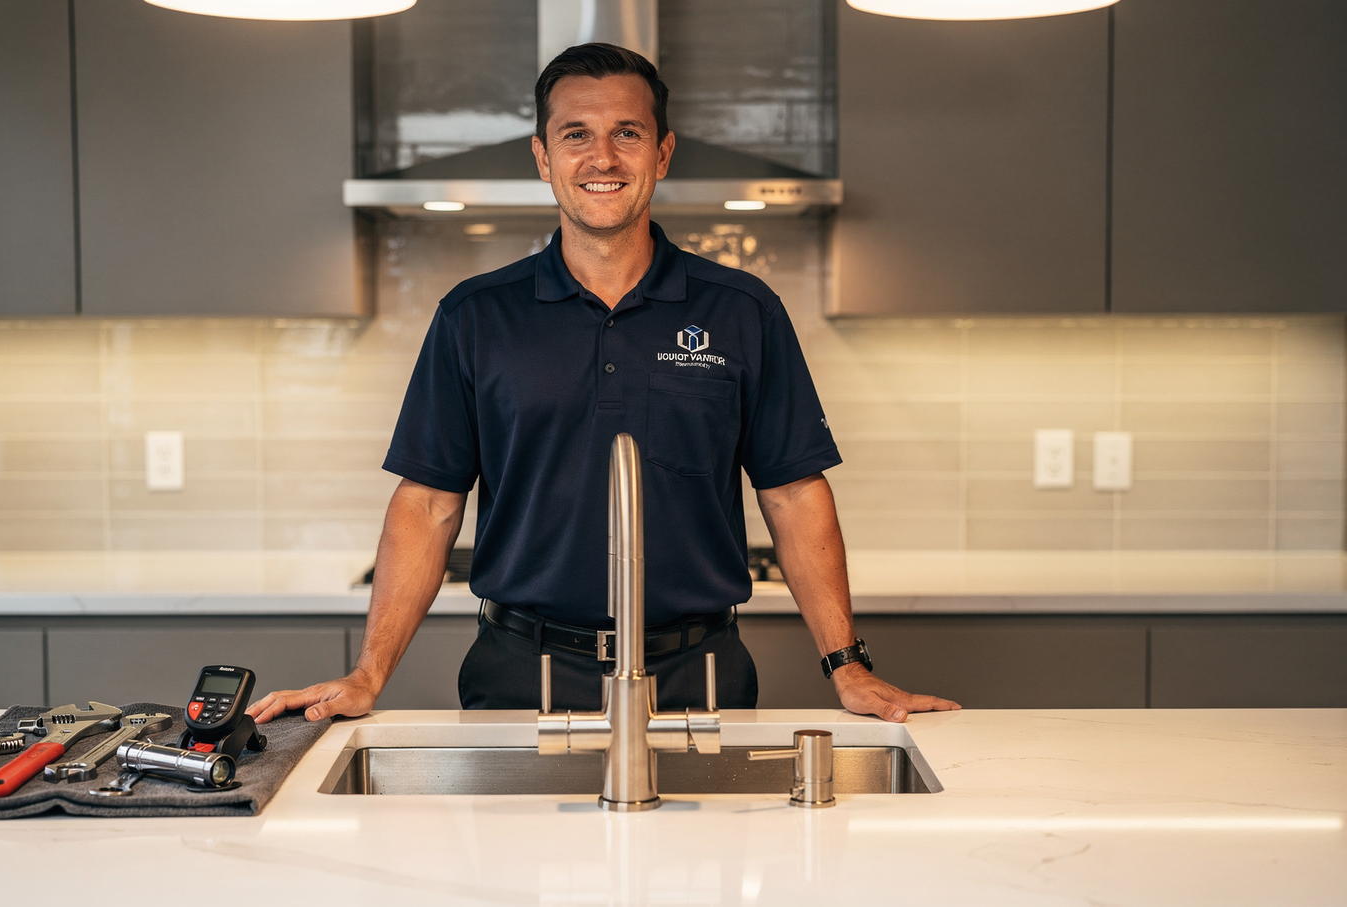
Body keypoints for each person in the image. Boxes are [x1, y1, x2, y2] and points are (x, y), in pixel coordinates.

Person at [247, 43, 958, 726]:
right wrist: (368, 673)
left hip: (700, 674)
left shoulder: (743, 311)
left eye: (628, 132)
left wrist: (847, 664)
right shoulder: (475, 315)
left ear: (663, 152)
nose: (603, 158)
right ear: (543, 156)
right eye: (576, 134)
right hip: (519, 674)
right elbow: (428, 502)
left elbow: (795, 493)